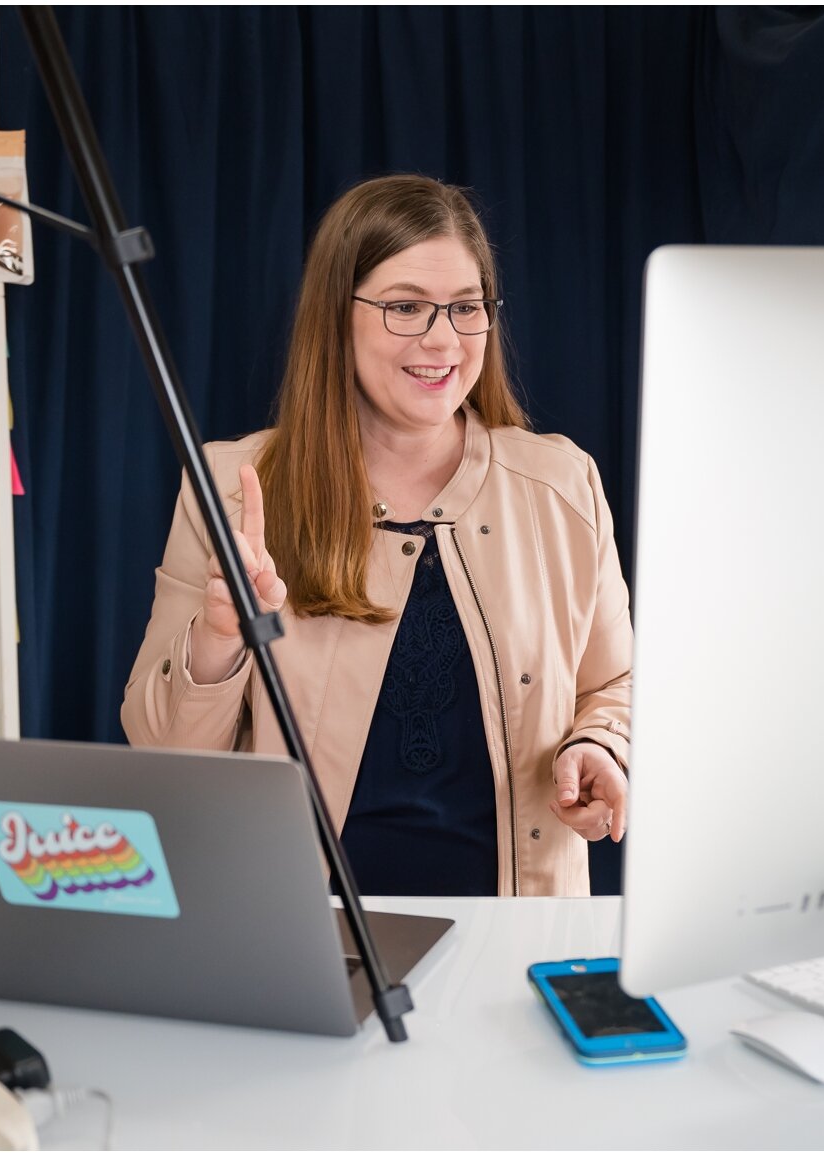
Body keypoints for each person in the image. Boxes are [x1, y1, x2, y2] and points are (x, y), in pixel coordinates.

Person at [120, 174, 632, 898]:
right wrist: (220, 635)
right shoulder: (229, 487)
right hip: (304, 931)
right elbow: (162, 751)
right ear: (337, 316)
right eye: (405, 308)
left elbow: (615, 682)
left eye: (465, 308)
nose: (442, 340)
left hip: (518, 927)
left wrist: (599, 745)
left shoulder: (562, 482)